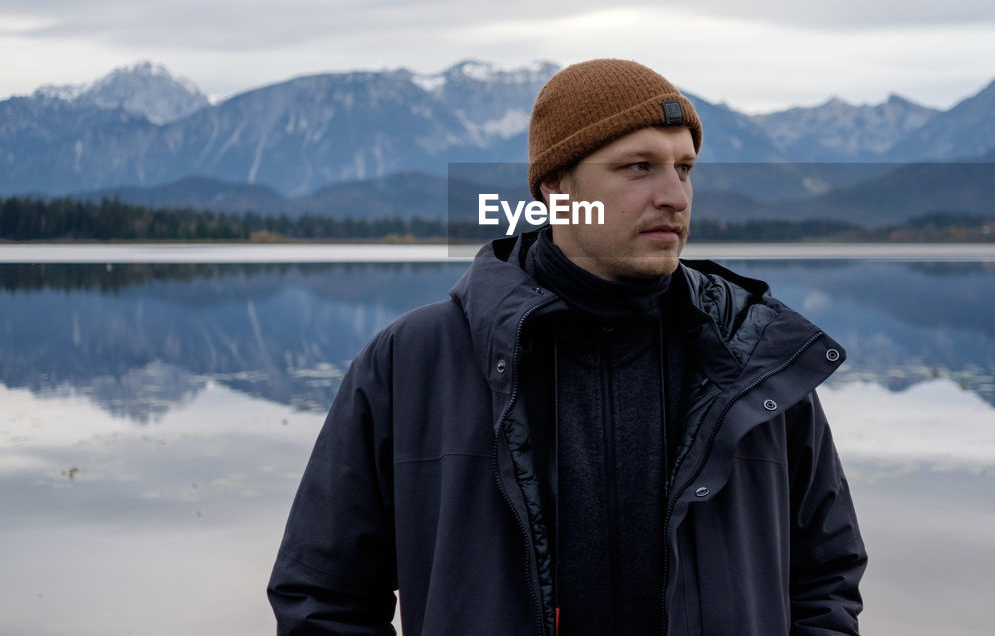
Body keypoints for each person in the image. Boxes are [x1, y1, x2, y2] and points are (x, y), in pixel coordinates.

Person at [267, 58, 868, 635]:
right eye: (639, 167)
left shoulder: (753, 358)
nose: (675, 197)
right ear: (556, 186)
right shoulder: (413, 361)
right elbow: (322, 595)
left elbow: (827, 576)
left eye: (683, 169)